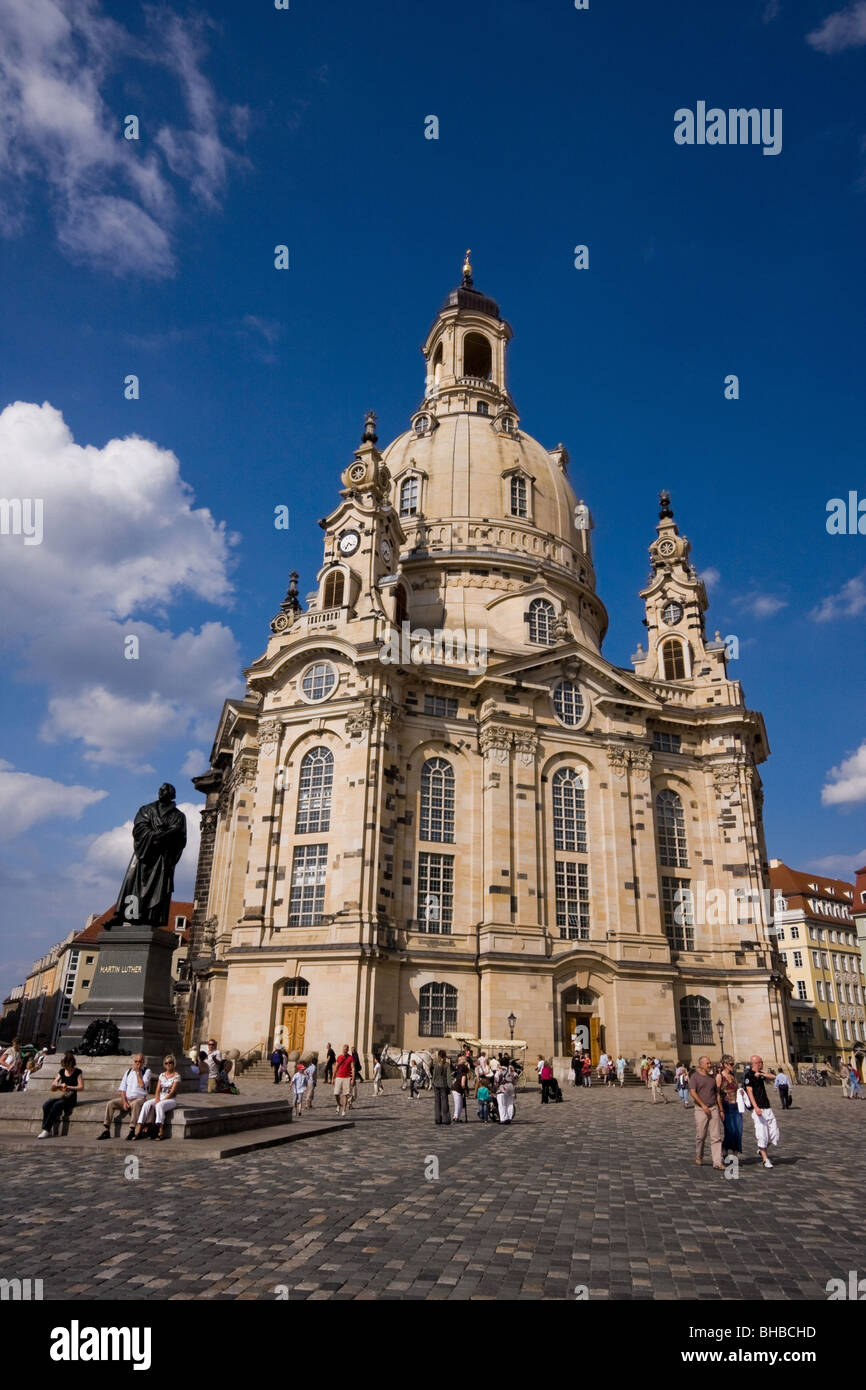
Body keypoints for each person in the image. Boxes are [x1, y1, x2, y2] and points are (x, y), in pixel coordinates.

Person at [98, 1054, 153, 1140]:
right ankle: (106, 1129)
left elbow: (142, 1085)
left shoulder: (147, 1071)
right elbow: (122, 1089)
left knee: (135, 1104)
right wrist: (124, 1102)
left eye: (140, 1061)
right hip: (127, 1098)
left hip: (140, 1098)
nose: (137, 1063)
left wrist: (138, 1072)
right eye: (136, 1061)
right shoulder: (128, 1072)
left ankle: (132, 1130)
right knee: (110, 1103)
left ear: (143, 1062)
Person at [689, 1055, 725, 1170]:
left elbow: (717, 1094)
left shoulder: (712, 1077)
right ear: (701, 1065)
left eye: (710, 1063)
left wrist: (720, 1109)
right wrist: (703, 1105)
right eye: (707, 1063)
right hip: (700, 1109)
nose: (710, 1065)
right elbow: (693, 1092)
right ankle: (699, 1156)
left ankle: (717, 1162)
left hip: (713, 1108)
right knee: (701, 1136)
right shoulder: (695, 1077)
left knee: (716, 1136)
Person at [744, 1055, 780, 1169]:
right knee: (762, 1134)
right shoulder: (749, 1075)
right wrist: (755, 1107)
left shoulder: (760, 1074)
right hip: (758, 1108)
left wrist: (762, 1074)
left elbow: (774, 1077)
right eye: (761, 1062)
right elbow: (749, 1092)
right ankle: (765, 1159)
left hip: (767, 1107)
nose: (763, 1063)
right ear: (757, 1063)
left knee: (775, 1135)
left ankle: (761, 1150)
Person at [134, 1056, 181, 1141]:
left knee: (159, 1105)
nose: (168, 1065)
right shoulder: (162, 1075)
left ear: (174, 1064)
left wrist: (161, 1100)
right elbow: (158, 1089)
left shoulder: (176, 1076)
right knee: (146, 1104)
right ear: (164, 1064)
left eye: (170, 1062)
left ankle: (160, 1130)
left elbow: (172, 1091)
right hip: (161, 1096)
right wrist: (156, 1098)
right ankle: (139, 1126)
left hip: (170, 1099)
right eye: (166, 1063)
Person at [38, 1053, 84, 1138]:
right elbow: (54, 1082)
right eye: (65, 1066)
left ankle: (46, 1130)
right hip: (60, 1094)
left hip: (70, 1097)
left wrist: (68, 1086)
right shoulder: (62, 1071)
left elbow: (81, 1087)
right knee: (46, 1105)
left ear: (71, 1063)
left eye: (68, 1066)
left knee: (56, 1105)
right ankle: (47, 1128)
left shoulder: (78, 1072)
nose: (67, 1068)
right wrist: (58, 1084)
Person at [717, 1056, 742, 1158]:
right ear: (725, 1065)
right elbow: (717, 1093)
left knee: (738, 1130)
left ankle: (735, 1154)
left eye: (733, 1064)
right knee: (730, 1130)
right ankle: (725, 1147)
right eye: (731, 1064)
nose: (733, 1066)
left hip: (736, 1106)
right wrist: (721, 1110)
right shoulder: (719, 1076)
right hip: (726, 1107)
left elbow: (738, 1089)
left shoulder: (733, 1076)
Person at [333, 1044, 354, 1118]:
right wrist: (333, 1078)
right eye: (343, 1049)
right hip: (339, 1077)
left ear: (347, 1050)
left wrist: (352, 1079)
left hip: (346, 1078)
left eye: (345, 1049)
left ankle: (344, 1110)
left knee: (345, 1095)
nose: (344, 1050)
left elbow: (353, 1068)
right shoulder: (339, 1057)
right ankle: (339, 1104)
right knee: (336, 1094)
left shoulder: (350, 1058)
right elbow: (336, 1067)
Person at [431, 1050, 452, 1125]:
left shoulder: (436, 1065)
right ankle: (446, 1119)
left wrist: (433, 1083)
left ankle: (438, 1119)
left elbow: (434, 1076)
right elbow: (449, 1077)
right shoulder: (447, 1065)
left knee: (437, 1102)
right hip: (444, 1085)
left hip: (436, 1084)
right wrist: (450, 1086)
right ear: (445, 1056)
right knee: (444, 1102)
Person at [451, 1054, 469, 1122]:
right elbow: (463, 1084)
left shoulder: (459, 1069)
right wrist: (464, 1089)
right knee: (458, 1104)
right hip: (457, 1089)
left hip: (457, 1089)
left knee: (460, 1104)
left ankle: (458, 1117)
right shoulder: (463, 1074)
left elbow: (459, 1065)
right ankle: (455, 1116)